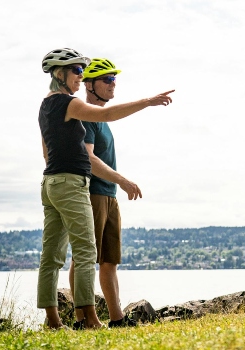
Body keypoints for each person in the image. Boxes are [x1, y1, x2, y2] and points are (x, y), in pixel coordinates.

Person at [37, 47, 174, 330]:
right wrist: (147, 101)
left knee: (51, 257)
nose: (80, 75)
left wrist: (59, 173)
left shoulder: (45, 105)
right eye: (77, 71)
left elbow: (46, 152)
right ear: (60, 74)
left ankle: (53, 321)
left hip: (51, 181)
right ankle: (88, 320)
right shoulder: (68, 103)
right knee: (86, 253)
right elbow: (108, 115)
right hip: (72, 183)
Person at [68, 58, 139, 328]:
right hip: (94, 193)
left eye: (114, 79)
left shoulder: (103, 121)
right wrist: (123, 180)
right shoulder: (87, 117)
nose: (113, 84)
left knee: (109, 261)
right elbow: (89, 159)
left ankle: (117, 318)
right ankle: (81, 319)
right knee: (84, 258)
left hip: (109, 196)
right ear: (89, 84)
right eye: (107, 79)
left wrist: (117, 185)